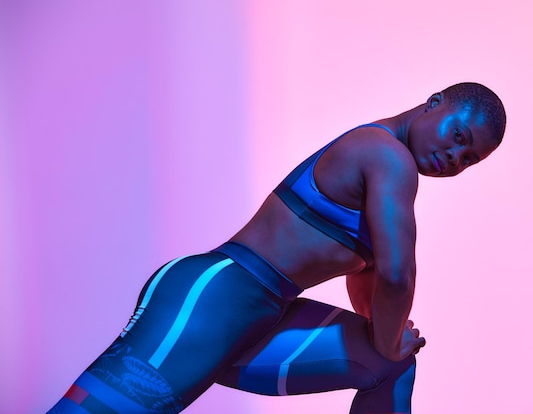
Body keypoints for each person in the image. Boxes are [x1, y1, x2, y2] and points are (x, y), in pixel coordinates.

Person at [48, 82, 506, 414]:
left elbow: (369, 279)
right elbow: (395, 275)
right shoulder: (389, 157)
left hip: (263, 316)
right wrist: (388, 340)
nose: (455, 158)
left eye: (469, 159)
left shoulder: (385, 172)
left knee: (390, 368)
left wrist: (385, 337)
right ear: (434, 104)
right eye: (459, 137)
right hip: (213, 298)